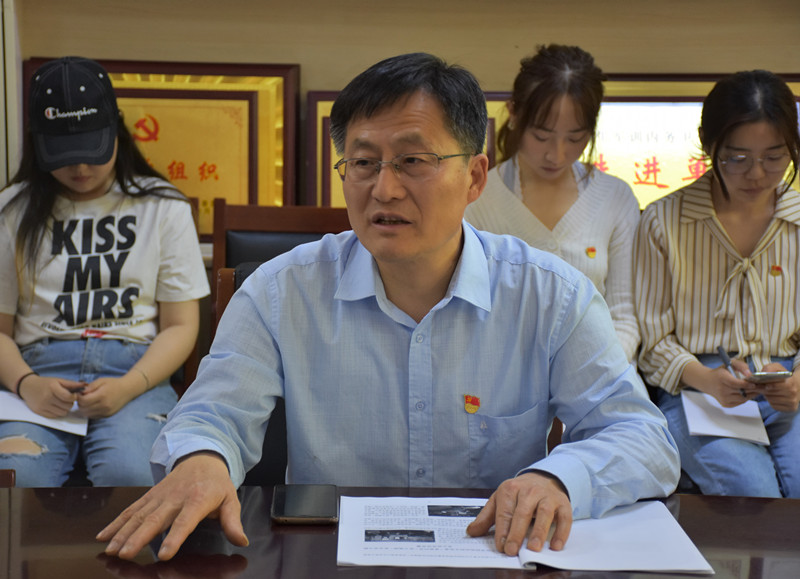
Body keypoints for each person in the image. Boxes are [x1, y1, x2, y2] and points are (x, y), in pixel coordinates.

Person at [98, 52, 678, 561]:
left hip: (491, 556)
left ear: (475, 177)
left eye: (412, 161)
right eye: (363, 163)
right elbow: (211, 413)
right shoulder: (279, 292)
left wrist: (559, 479)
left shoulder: (550, 296)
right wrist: (203, 459)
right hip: (326, 559)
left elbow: (643, 438)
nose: (384, 189)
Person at [0, 57, 210, 487]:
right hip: (37, 371)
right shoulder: (12, 210)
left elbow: (181, 325)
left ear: (116, 130)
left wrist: (129, 386)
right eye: (64, 155)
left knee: (131, 476)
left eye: (91, 151)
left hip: (136, 371)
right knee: (17, 475)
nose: (80, 168)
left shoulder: (162, 205)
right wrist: (26, 384)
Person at [635, 69, 800, 497]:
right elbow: (653, 341)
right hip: (698, 386)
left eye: (775, 157)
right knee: (752, 493)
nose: (757, 174)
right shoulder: (664, 221)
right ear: (708, 145)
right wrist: (708, 380)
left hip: (788, 381)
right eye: (737, 158)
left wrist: (797, 381)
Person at [465, 44, 640, 362]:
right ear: (514, 113)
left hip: (598, 375)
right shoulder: (477, 200)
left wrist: (593, 376)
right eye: (542, 136)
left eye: (574, 139)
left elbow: (624, 319)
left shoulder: (615, 197)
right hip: (505, 376)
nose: (556, 155)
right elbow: (470, 318)